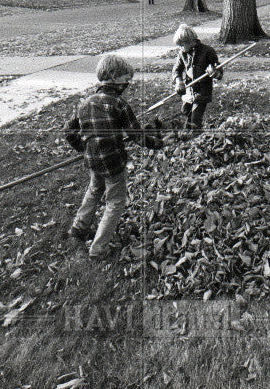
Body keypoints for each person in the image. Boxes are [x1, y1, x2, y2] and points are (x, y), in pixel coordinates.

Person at [65, 53, 163, 260]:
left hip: (93, 160)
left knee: (94, 190)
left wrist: (83, 148)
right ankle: (99, 249)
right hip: (113, 162)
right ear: (113, 77)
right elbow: (136, 135)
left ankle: (78, 229)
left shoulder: (85, 103)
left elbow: (68, 130)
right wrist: (156, 143)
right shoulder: (119, 104)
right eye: (125, 79)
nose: (127, 83)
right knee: (115, 202)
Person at [171, 24, 222, 132]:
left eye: (181, 45)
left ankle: (195, 139)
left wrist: (214, 72)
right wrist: (178, 81)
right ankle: (186, 134)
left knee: (195, 119)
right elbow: (176, 70)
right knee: (185, 112)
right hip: (188, 91)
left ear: (190, 41)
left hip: (202, 92)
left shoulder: (208, 52)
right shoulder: (182, 54)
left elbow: (219, 73)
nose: (180, 47)